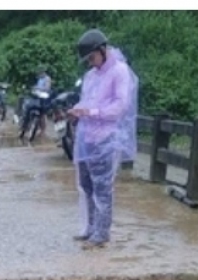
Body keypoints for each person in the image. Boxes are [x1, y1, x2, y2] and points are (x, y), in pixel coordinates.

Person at [65, 28, 138, 250]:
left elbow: (120, 106)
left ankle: (102, 232)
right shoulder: (90, 76)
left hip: (106, 138)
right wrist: (76, 111)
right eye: (88, 59)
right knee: (86, 185)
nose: (90, 62)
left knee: (103, 187)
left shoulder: (119, 72)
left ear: (103, 50)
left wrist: (91, 113)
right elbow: (86, 101)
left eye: (92, 57)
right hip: (86, 139)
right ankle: (90, 227)